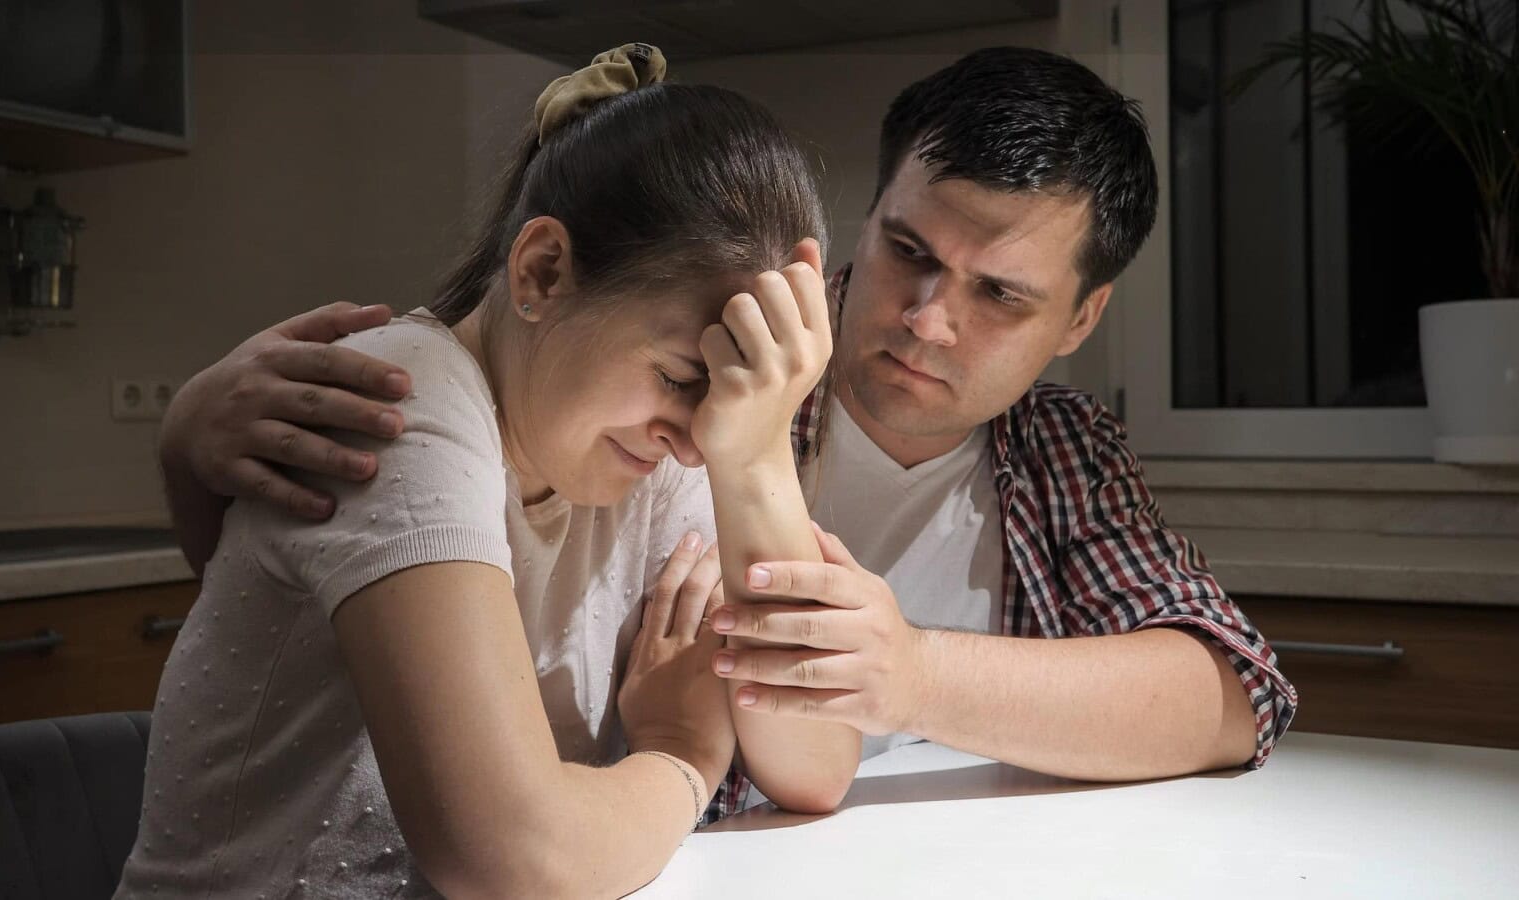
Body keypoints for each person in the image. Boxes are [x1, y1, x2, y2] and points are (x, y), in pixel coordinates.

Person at [158, 47, 1297, 819]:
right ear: (871, 215)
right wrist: (186, 452)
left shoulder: (1057, 449)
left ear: (1079, 320)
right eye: (907, 251)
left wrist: (911, 674)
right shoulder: (686, 378)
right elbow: (348, 592)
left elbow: (1228, 696)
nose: (924, 319)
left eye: (999, 295)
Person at [119, 44, 857, 898]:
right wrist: (682, 756)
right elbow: (511, 857)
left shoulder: (656, 445)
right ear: (542, 270)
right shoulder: (404, 405)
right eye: (681, 379)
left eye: (729, 401)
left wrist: (758, 451)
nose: (698, 441)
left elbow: (818, 764)